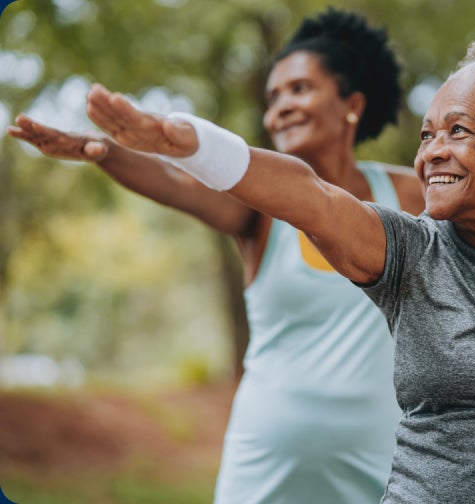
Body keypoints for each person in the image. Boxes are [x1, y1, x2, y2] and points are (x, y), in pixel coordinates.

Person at [49, 21, 475, 503]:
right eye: (426, 135)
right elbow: (312, 196)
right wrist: (189, 143)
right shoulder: (409, 251)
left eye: (458, 131)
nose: (431, 153)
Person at [9, 8, 425, 504]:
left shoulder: (408, 195)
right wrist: (108, 151)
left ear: (351, 103)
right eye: (272, 98)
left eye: (299, 89)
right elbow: (174, 182)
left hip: (383, 461)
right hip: (266, 462)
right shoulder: (261, 212)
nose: (280, 109)